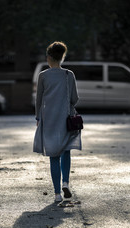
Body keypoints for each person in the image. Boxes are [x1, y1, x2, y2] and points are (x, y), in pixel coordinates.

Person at [33, 41, 82, 202]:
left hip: (49, 119)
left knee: (53, 155)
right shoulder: (69, 75)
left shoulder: (43, 76)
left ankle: (56, 194)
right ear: (62, 57)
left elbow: (39, 100)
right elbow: (74, 99)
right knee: (66, 151)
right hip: (66, 119)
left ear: (48, 57)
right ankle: (66, 183)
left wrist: (38, 118)